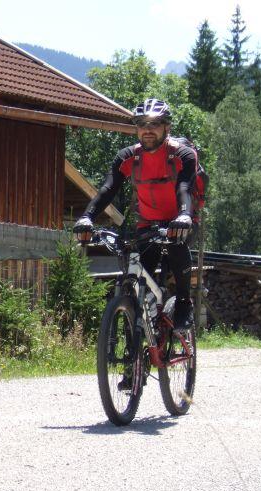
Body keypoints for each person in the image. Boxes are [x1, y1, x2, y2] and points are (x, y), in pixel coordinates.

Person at [73, 98, 197, 332]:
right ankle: (141, 340)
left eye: (155, 124)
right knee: (142, 277)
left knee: (176, 244)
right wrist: (87, 217)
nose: (147, 130)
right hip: (147, 224)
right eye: (142, 124)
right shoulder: (127, 157)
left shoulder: (183, 155)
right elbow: (108, 189)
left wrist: (183, 216)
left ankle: (183, 302)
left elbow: (184, 188)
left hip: (180, 220)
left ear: (167, 128)